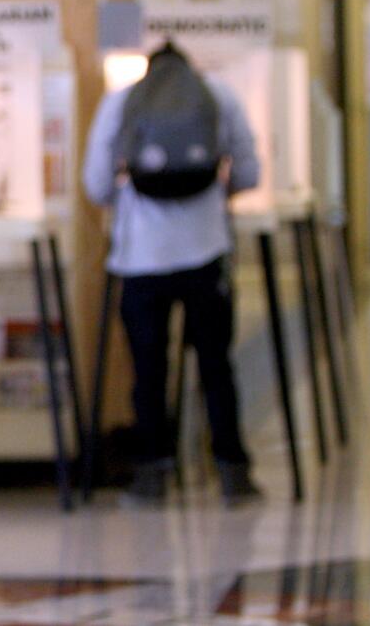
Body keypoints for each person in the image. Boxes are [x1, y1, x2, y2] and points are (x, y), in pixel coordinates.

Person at [82, 45, 264, 508]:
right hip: (206, 249)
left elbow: (96, 181)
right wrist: (218, 192)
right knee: (215, 364)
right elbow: (249, 169)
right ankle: (233, 472)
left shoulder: (122, 101)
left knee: (148, 368)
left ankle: (151, 475)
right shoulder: (219, 94)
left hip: (141, 255)